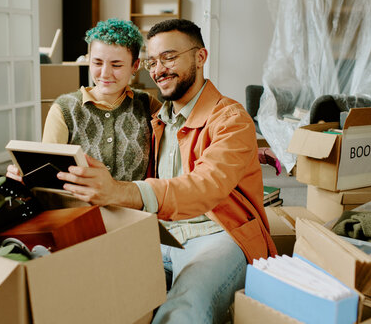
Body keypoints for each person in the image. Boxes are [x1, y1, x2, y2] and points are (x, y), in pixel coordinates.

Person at [56, 19, 277, 323]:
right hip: (162, 234)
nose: (159, 69)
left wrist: (120, 191)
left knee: (185, 306)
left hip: (218, 235)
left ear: (200, 57)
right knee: (101, 288)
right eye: (153, 61)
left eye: (170, 57)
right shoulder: (158, 118)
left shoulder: (232, 119)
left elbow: (205, 185)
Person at [7, 18, 161, 182]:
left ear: (135, 66)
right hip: (79, 206)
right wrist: (25, 176)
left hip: (132, 206)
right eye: (97, 62)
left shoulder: (148, 105)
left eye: (116, 65)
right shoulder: (64, 109)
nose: (104, 73)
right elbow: (47, 173)